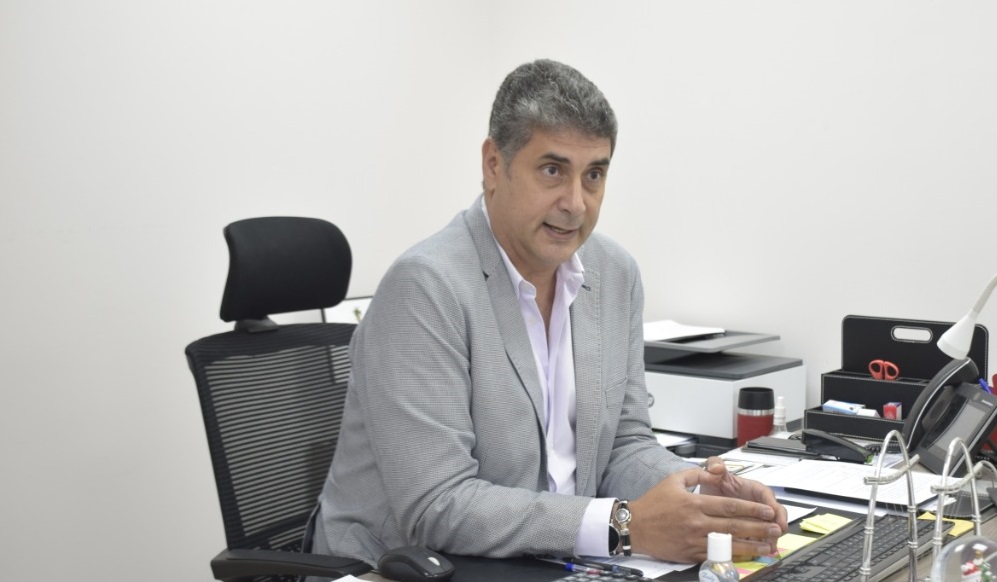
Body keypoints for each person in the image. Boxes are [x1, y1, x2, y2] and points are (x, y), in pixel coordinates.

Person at [312, 58, 787, 567]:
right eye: (552, 170)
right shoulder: (426, 288)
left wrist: (702, 497)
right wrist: (624, 526)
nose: (575, 203)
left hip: (546, 560)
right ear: (493, 165)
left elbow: (623, 445)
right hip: (406, 568)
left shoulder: (615, 274)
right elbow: (437, 506)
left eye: (594, 175)